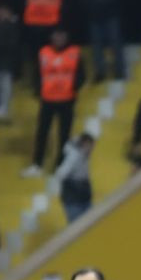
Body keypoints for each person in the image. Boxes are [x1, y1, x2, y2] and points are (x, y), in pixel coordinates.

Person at [23, 28, 85, 177]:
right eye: (56, 35)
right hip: (47, 100)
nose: (59, 38)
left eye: (62, 34)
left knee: (64, 134)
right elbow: (36, 74)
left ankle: (60, 165)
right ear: (51, 37)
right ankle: (37, 165)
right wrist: (39, 90)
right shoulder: (43, 52)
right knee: (42, 133)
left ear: (67, 36)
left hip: (67, 99)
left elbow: (82, 74)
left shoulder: (74, 52)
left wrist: (74, 87)